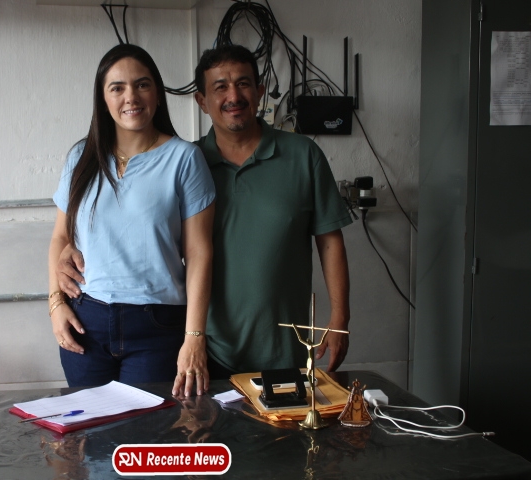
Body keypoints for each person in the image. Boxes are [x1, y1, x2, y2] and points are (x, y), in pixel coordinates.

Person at [57, 44, 351, 384]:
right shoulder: (189, 161)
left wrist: (339, 318)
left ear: (260, 92)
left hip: (283, 344)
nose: (233, 96)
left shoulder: (301, 156)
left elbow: (330, 241)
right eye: (220, 87)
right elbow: (131, 222)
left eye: (243, 84)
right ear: (201, 100)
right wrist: (71, 246)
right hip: (208, 348)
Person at [48, 44, 215, 397]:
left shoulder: (184, 159)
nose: (131, 97)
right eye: (117, 88)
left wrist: (194, 337)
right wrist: (56, 305)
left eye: (142, 84)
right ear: (103, 98)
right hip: (86, 321)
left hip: (157, 325)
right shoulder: (81, 157)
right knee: (90, 427)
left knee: (147, 429)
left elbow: (199, 253)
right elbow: (60, 238)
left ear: (157, 92)